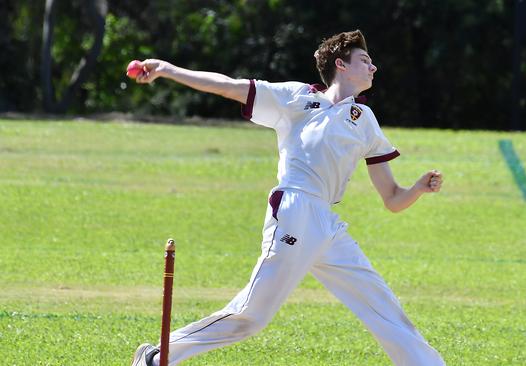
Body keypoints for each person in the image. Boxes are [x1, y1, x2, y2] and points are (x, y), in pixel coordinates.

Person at [131, 30, 445, 366]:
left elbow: (393, 199)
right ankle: (157, 357)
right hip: (294, 208)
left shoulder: (364, 120)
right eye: (365, 60)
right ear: (340, 64)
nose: (374, 67)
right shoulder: (295, 98)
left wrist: (418, 189)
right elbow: (226, 85)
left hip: (327, 224)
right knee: (251, 316)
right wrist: (166, 68)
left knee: (382, 306)